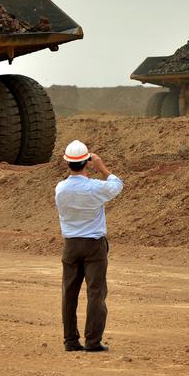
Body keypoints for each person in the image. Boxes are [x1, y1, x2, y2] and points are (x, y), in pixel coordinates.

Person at [55, 140, 123, 352]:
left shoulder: (60, 189)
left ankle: (71, 341)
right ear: (87, 162)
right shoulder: (95, 188)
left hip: (71, 245)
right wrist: (101, 166)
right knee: (95, 293)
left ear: (67, 163)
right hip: (94, 246)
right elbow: (117, 185)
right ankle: (93, 342)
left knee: (69, 293)